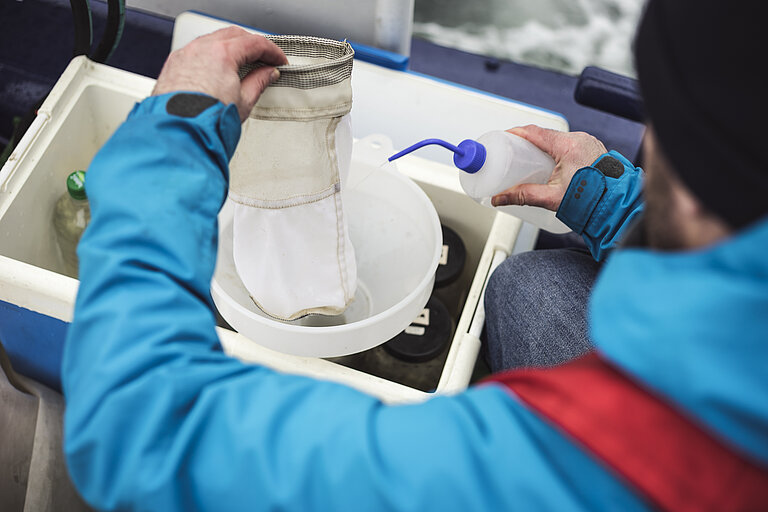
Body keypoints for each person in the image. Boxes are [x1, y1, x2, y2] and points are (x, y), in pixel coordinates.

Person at [62, 2, 768, 511]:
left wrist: (174, 132)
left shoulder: (565, 474)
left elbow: (143, 425)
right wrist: (618, 207)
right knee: (526, 286)